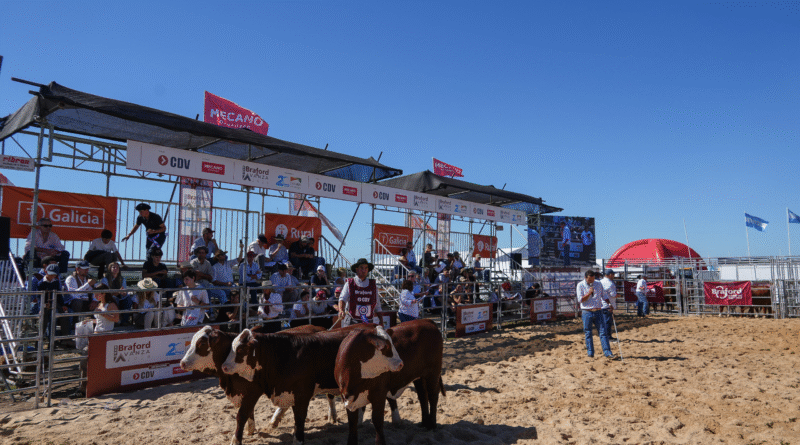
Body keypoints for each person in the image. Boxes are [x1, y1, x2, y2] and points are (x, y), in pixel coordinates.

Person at [577, 270, 614, 359]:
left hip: (598, 311)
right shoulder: (580, 285)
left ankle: (607, 352)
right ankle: (590, 352)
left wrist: (609, 304)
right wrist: (589, 293)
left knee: (603, 332)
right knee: (588, 332)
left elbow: (604, 295)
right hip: (587, 311)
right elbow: (580, 300)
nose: (592, 281)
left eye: (593, 279)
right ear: (586, 278)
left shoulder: (598, 283)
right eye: (590, 280)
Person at [337, 258, 382, 326]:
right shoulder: (350, 283)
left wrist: (381, 321)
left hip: (368, 322)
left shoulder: (373, 285)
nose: (364, 270)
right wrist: (341, 310)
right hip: (352, 321)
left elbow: (377, 305)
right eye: (361, 268)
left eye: (366, 268)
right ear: (356, 269)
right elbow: (342, 299)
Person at [38, 263, 66, 345]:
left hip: (54, 304)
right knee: (44, 323)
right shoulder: (41, 283)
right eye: (51, 274)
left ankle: (52, 342)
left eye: (54, 275)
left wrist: (62, 304)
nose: (52, 277)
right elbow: (39, 297)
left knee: (53, 323)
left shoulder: (56, 282)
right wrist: (42, 306)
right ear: (46, 272)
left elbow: (59, 295)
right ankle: (39, 343)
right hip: (45, 305)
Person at [600, 269, 618, 341]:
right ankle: (608, 337)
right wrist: (618, 295)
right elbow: (613, 295)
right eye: (613, 274)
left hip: (601, 304)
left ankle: (605, 336)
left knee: (603, 321)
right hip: (608, 305)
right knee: (607, 321)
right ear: (610, 274)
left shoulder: (600, 282)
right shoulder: (610, 283)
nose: (613, 276)